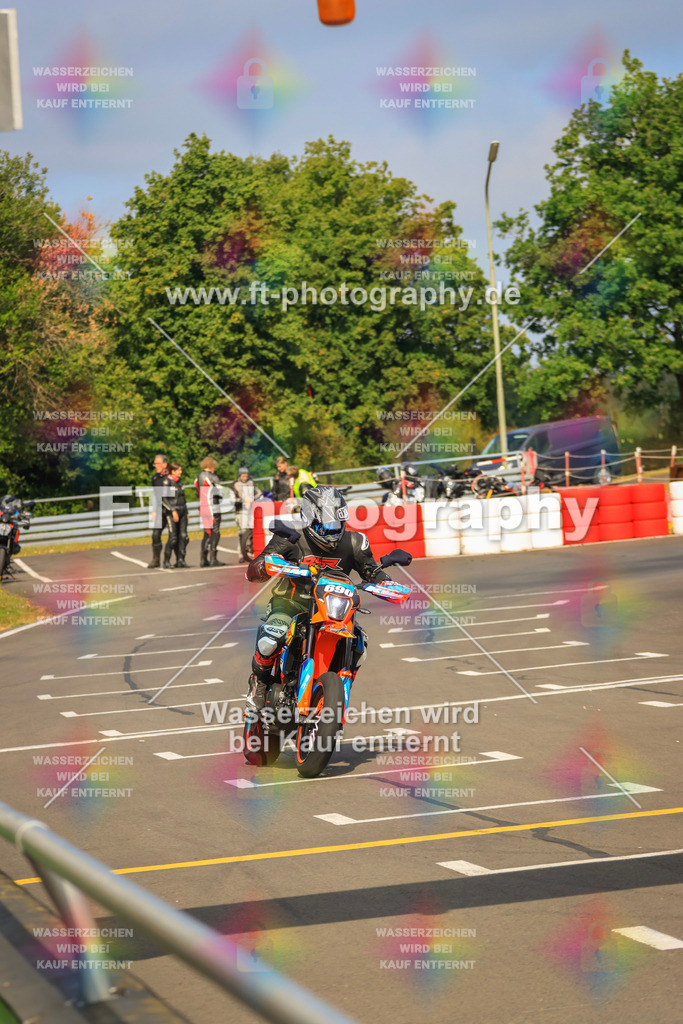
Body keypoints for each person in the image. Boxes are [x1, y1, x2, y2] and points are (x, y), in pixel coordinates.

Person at [244, 486, 391, 711]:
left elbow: (372, 571)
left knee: (360, 646)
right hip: (292, 604)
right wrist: (266, 566)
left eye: (336, 525)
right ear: (310, 519)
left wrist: (386, 582)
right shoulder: (290, 537)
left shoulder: (355, 542)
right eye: (326, 525)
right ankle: (259, 684)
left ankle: (336, 688)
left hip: (335, 609)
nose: (331, 532)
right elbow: (254, 568)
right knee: (270, 640)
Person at [194, 457, 225, 567]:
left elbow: (197, 493)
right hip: (213, 507)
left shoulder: (197, 478)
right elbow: (220, 492)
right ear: (212, 466)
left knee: (207, 532)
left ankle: (203, 559)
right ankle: (213, 559)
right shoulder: (212, 477)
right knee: (215, 532)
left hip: (203, 507)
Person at [162, 462, 189, 568]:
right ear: (173, 471)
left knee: (184, 537)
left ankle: (180, 560)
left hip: (183, 511)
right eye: (179, 470)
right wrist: (173, 510)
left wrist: (186, 512)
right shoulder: (166, 482)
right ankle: (166, 561)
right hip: (172, 512)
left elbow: (183, 498)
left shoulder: (179, 482)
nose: (181, 472)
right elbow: (163, 499)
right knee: (173, 538)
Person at [233, 467, 262, 563]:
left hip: (251, 511)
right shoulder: (235, 485)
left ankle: (253, 551)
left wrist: (252, 499)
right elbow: (232, 499)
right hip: (241, 512)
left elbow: (259, 493)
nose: (245, 477)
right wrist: (243, 501)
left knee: (252, 532)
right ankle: (241, 554)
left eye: (246, 475)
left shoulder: (252, 483)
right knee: (242, 533)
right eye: (243, 475)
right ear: (239, 475)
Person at [148, 454, 170, 568]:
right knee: (155, 534)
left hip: (171, 510)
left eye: (157, 463)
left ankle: (172, 560)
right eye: (154, 464)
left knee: (175, 536)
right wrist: (154, 510)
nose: (155, 466)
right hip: (159, 510)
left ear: (164, 464)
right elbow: (155, 495)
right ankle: (156, 559)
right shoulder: (155, 478)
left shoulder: (171, 477)